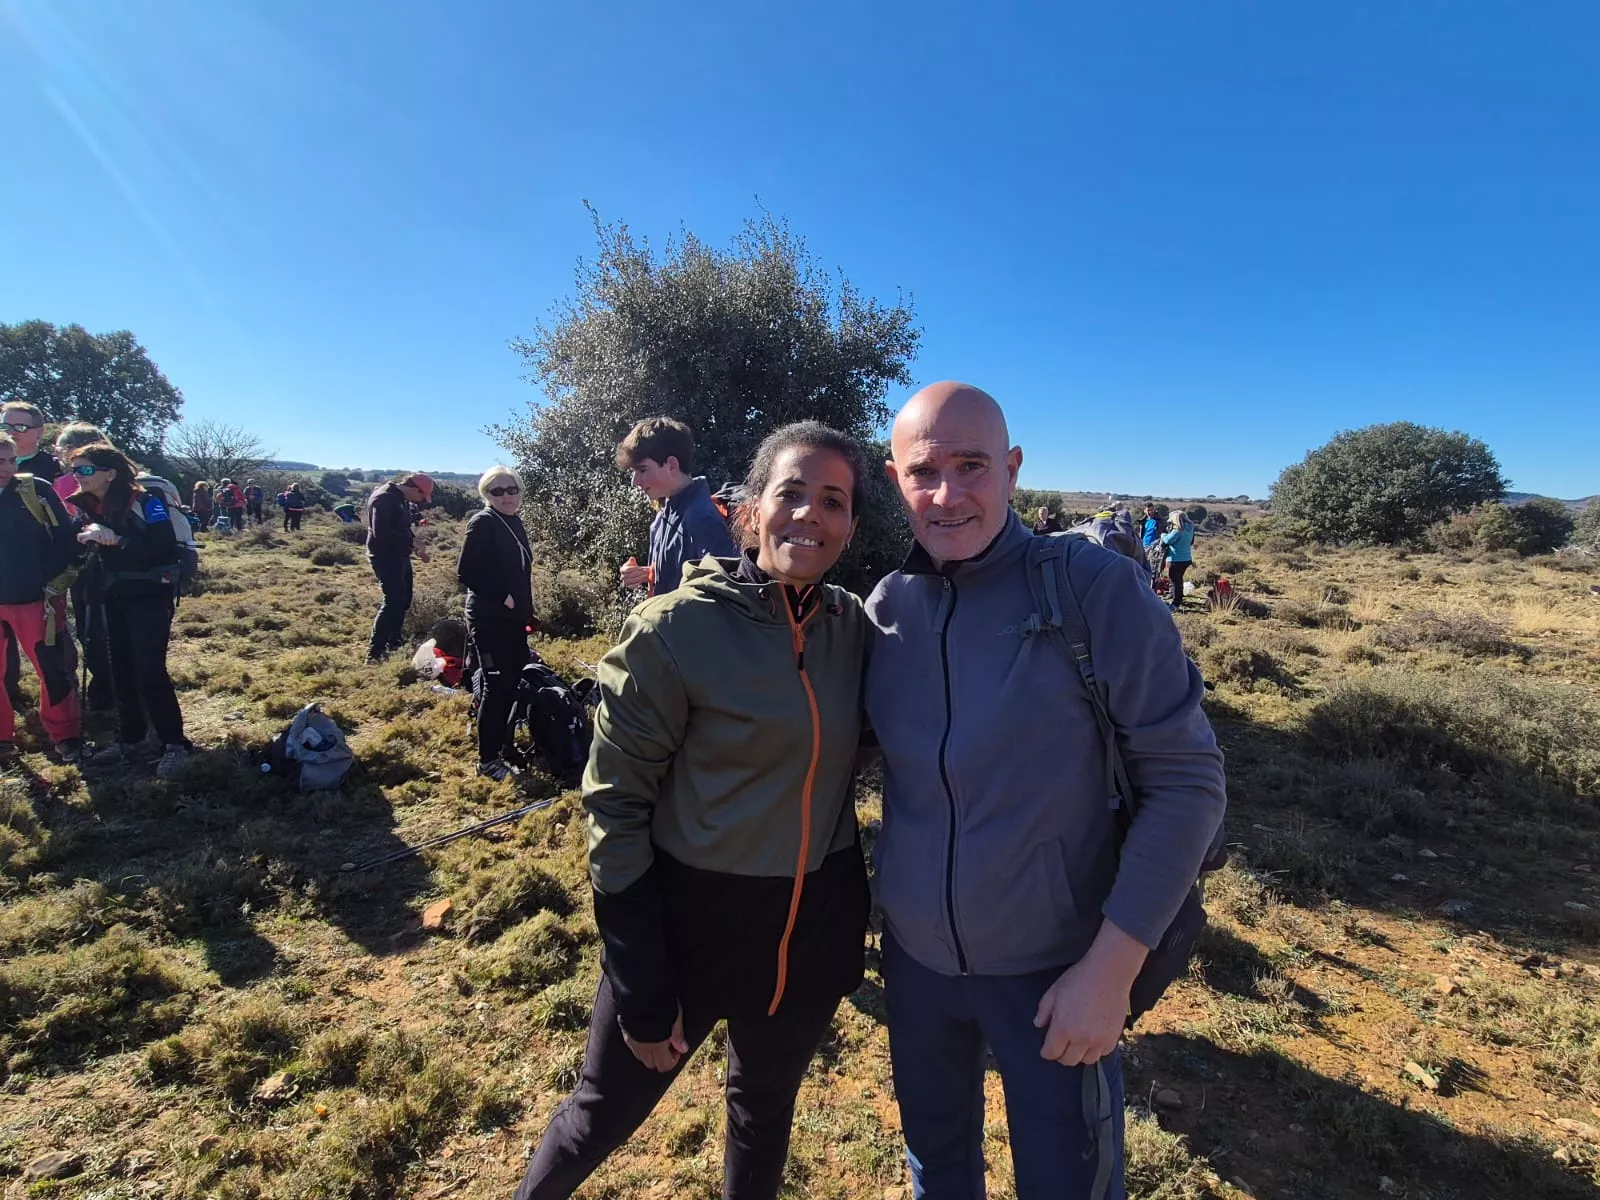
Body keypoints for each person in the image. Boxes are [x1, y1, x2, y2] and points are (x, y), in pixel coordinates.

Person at [864, 382, 1226, 1200]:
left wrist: (1110, 970)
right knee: (937, 1168)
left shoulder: (1093, 589)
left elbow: (1188, 782)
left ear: (1014, 470)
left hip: (1059, 973)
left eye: (973, 466)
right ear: (895, 480)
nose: (949, 493)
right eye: (925, 472)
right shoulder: (888, 610)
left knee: (1068, 1183)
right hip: (916, 969)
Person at [514, 422, 872, 1200]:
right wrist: (641, 981)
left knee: (764, 1109)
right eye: (793, 493)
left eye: (833, 501)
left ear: (850, 524)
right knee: (601, 1116)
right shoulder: (674, 629)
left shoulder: (854, 629)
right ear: (750, 510)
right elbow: (613, 811)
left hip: (805, 941)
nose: (810, 514)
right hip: (684, 937)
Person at [66, 442, 192, 779]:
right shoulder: (90, 505)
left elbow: (164, 547)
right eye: (74, 469)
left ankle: (174, 744)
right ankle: (131, 740)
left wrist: (116, 540)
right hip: (112, 594)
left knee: (150, 670)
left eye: (85, 469)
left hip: (150, 594)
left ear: (110, 473)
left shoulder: (147, 502)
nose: (76, 475)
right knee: (118, 668)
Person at [0, 432, 82, 763]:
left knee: (51, 668)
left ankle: (66, 735)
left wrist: (45, 580)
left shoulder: (35, 490)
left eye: (10, 460)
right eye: (0, 462)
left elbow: (65, 537)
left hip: (36, 600)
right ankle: (3, 739)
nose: (7, 468)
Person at [456, 466, 534, 782]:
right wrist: (504, 596)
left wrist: (525, 610)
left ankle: (503, 745)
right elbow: (466, 572)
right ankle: (488, 761)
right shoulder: (483, 523)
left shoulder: (513, 521)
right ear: (486, 494)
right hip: (490, 620)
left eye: (511, 489)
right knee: (497, 685)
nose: (506, 496)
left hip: (512, 620)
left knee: (512, 683)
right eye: (497, 491)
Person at [614, 416, 736, 596]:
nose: (635, 481)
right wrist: (647, 574)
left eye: (642, 470)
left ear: (671, 465)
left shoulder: (701, 517)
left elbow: (726, 590)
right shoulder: (662, 517)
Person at [1, 403, 64, 712]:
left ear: (38, 432)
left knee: (51, 658)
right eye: (6, 424)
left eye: (20, 427)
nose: (12, 430)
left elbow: (64, 531)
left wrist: (50, 577)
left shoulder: (50, 471)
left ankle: (63, 726)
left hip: (38, 587)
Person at [50, 422, 115, 712]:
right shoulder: (120, 477)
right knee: (110, 627)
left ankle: (103, 690)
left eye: (65, 448)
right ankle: (118, 687)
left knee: (93, 629)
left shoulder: (66, 483)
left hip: (86, 565)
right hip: (114, 563)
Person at [364, 472, 433, 662]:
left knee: (404, 600)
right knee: (393, 601)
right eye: (421, 496)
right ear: (414, 488)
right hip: (384, 556)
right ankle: (374, 652)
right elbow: (382, 533)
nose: (421, 501)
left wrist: (415, 546)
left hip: (399, 555)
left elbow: (401, 527)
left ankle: (394, 641)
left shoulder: (400, 498)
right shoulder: (384, 499)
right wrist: (411, 541)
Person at [1162, 511, 1196, 611]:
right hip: (1186, 558)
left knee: (1175, 581)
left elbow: (1167, 540)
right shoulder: (1190, 529)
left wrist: (1163, 535)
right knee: (1178, 580)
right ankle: (1177, 599)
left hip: (1176, 558)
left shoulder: (1177, 531)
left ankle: (1175, 604)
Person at [1141, 503, 1165, 581]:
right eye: (1148, 510)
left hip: (1155, 546)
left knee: (1153, 567)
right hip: (1144, 545)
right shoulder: (1143, 521)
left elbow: (1164, 531)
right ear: (1145, 511)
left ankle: (1153, 585)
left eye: (1151, 510)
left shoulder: (1159, 520)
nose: (1149, 512)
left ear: (1154, 509)